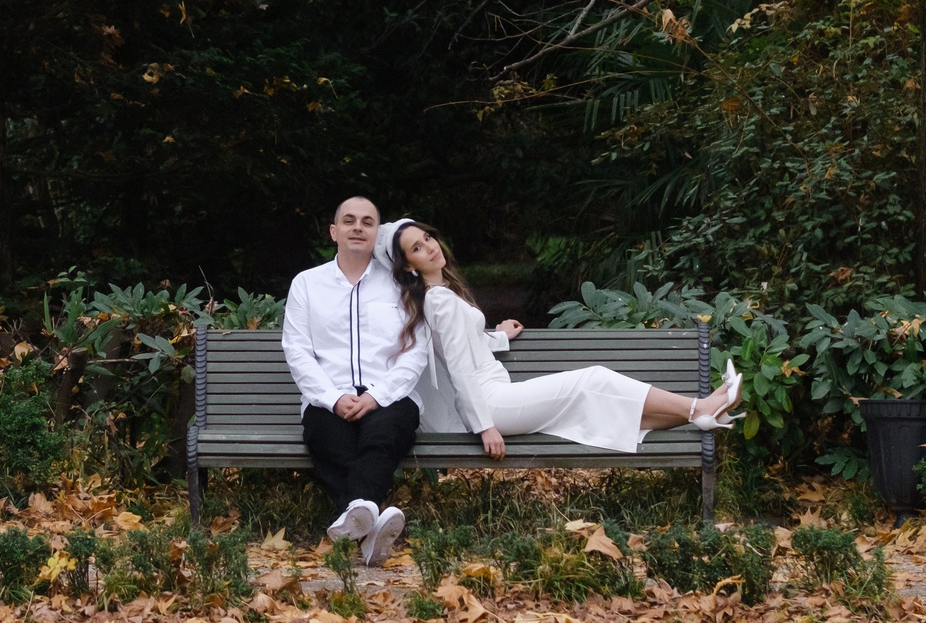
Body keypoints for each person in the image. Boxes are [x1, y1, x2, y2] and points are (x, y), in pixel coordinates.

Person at [386, 218, 742, 455]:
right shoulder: (438, 300)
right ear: (408, 266)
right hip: (491, 404)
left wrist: (499, 336)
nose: (430, 247)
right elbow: (460, 367)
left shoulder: (442, 296)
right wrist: (484, 427)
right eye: (417, 248)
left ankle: (699, 414)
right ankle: (702, 406)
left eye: (428, 237)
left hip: (497, 396)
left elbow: (467, 343)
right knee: (593, 380)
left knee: (596, 395)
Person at [280, 195, 430, 566]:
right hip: (328, 397)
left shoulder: (403, 283)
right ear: (334, 231)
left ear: (377, 233)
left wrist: (379, 396)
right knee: (327, 437)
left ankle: (357, 517)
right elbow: (298, 350)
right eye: (349, 220)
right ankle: (371, 526)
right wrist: (332, 398)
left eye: (367, 221)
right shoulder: (307, 284)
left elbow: (417, 349)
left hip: (391, 396)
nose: (357, 227)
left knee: (382, 435)